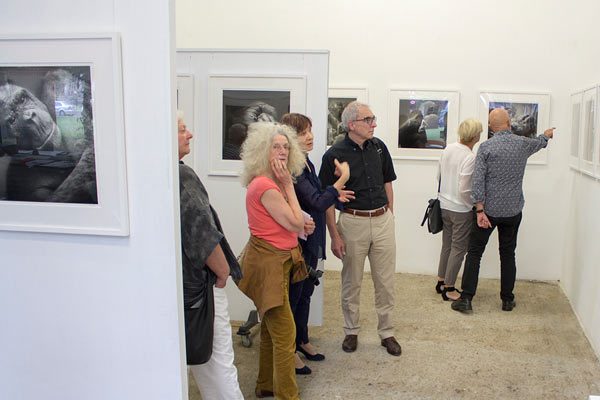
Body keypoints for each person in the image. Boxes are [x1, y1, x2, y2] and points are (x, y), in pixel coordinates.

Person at [236, 122, 315, 400]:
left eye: (285, 147)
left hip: (278, 261)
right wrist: (290, 187)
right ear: (262, 151)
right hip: (269, 265)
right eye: (275, 147)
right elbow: (293, 221)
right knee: (285, 333)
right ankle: (287, 395)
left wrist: (301, 223)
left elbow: (290, 223)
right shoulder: (266, 185)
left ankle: (266, 384)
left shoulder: (271, 183)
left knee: (272, 330)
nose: (282, 151)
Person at [319, 101, 402, 357]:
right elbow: (326, 199)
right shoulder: (334, 155)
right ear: (352, 124)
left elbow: (388, 183)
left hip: (382, 220)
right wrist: (334, 235)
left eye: (373, 118)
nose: (374, 123)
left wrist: (389, 214)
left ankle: (386, 332)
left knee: (385, 282)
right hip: (352, 222)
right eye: (368, 119)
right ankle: (351, 330)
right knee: (351, 281)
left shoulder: (379, 148)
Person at [451, 108, 554, 313]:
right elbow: (540, 142)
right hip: (513, 210)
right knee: (507, 254)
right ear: (509, 123)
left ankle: (467, 299)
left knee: (474, 253)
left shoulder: (486, 147)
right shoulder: (523, 144)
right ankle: (507, 300)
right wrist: (546, 135)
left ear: (490, 127)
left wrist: (479, 210)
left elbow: (478, 181)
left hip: (488, 211)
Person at [280, 113, 354, 375]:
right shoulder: (293, 169)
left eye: (310, 130)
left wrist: (334, 191)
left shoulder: (306, 162)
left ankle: (302, 340)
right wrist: (341, 180)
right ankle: (289, 350)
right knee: (295, 295)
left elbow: (320, 195)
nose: (310, 136)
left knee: (306, 293)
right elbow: (317, 202)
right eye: (303, 133)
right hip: (299, 241)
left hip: (312, 238)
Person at [177, 112, 244, 400]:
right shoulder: (182, 176)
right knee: (217, 367)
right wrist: (222, 271)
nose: (190, 134)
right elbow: (201, 232)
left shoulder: (149, 173)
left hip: (177, 286)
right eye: (182, 130)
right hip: (199, 289)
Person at [435, 118, 482, 301]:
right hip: (460, 209)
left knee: (447, 245)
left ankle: (441, 281)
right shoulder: (469, 157)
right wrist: (471, 205)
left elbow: (438, 176)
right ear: (475, 136)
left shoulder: (448, 148)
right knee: (459, 248)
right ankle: (449, 288)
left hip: (444, 204)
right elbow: (464, 188)